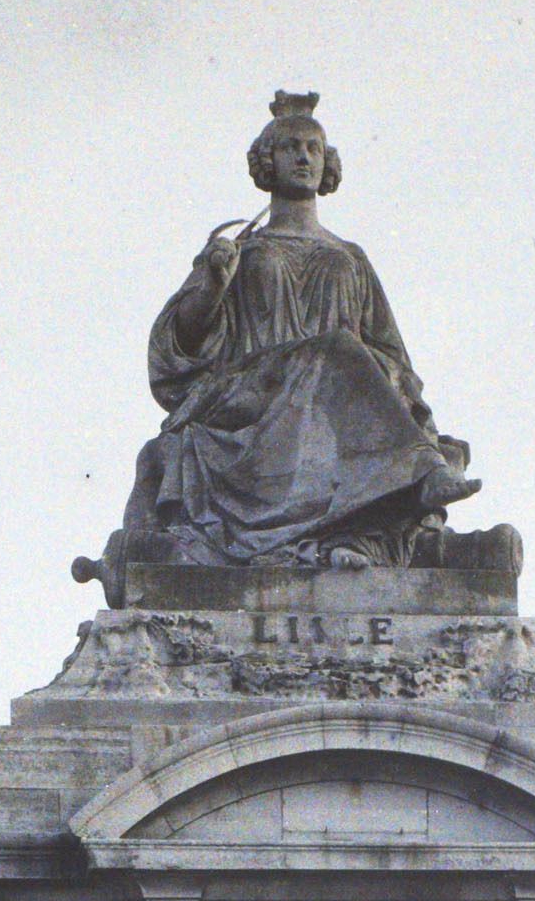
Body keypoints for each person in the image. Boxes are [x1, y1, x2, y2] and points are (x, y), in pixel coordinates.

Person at [119, 90, 481, 572]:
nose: (303, 157)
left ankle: (367, 522)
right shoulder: (243, 250)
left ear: (328, 162)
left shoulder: (349, 257)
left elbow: (392, 356)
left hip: (336, 415)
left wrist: (395, 394)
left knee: (341, 353)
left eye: (313, 148)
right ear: (268, 160)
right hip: (255, 395)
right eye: (290, 147)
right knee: (335, 349)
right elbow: (176, 347)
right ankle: (423, 471)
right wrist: (212, 285)